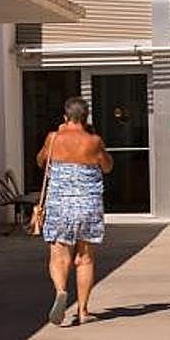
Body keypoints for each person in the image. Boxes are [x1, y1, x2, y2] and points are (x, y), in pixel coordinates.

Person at [36, 96, 113, 327]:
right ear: (86, 117)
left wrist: (55, 141)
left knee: (59, 257)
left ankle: (61, 291)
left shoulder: (54, 138)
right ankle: (83, 311)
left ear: (65, 116)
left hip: (59, 204)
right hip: (88, 205)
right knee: (85, 258)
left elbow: (41, 161)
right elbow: (107, 166)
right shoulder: (94, 141)